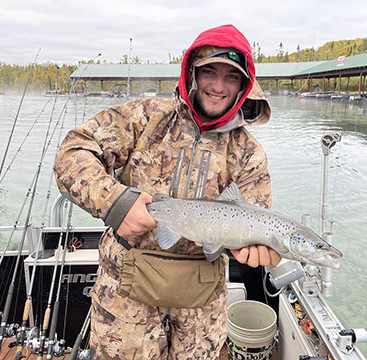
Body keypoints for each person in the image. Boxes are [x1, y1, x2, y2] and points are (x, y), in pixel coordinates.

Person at [54, 24, 280, 360]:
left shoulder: (249, 153)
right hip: (125, 295)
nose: (218, 86)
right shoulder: (146, 116)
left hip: (202, 308)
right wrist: (115, 202)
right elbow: (72, 152)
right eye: (209, 72)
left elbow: (254, 224)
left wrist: (260, 252)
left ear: (244, 85)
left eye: (231, 77)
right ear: (191, 73)